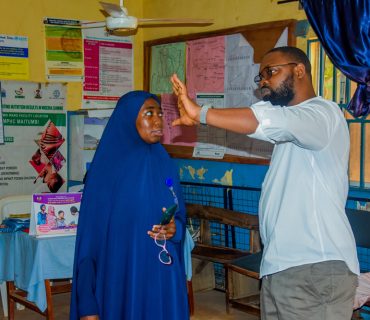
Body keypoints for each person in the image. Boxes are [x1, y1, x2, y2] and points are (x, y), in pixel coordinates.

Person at [170, 46, 359, 320]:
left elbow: (265, 119)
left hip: (314, 265)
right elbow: (259, 118)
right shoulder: (291, 128)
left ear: (300, 70)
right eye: (260, 78)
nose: (264, 82)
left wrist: (201, 113)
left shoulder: (322, 114)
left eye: (271, 72)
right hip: (282, 267)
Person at [70, 91, 189, 320]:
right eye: (148, 114)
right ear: (128, 118)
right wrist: (88, 304)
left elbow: (181, 216)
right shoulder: (106, 171)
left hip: (163, 278)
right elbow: (89, 244)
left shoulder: (165, 163)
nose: (157, 120)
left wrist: (175, 230)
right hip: (123, 277)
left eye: (160, 113)